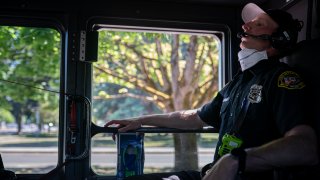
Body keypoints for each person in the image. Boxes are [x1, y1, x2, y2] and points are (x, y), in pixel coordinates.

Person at [105, 2, 319, 180]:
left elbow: (305, 147)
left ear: (278, 40)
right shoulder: (238, 83)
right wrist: (140, 120)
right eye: (249, 22)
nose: (246, 26)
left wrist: (236, 160)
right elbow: (193, 117)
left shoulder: (283, 81)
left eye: (259, 24)